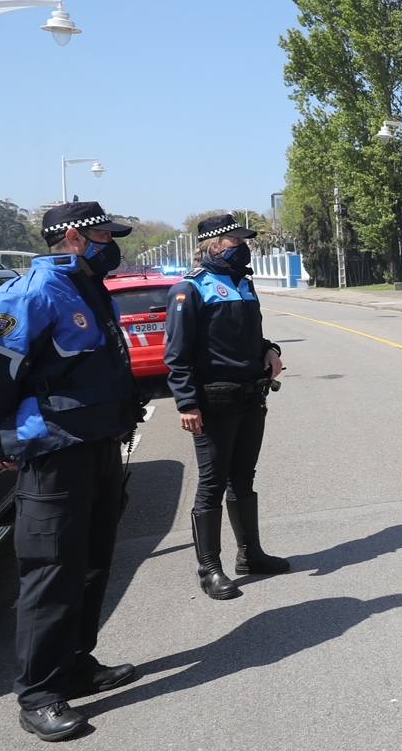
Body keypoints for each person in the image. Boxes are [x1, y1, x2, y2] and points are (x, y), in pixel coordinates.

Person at [0, 201, 142, 741]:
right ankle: (37, 694)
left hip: (99, 446)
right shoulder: (31, 291)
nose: (114, 243)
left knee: (90, 563)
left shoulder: (89, 287)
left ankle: (76, 664)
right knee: (49, 573)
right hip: (55, 454)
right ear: (77, 237)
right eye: (106, 234)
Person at [164, 214, 289, 601]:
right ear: (215, 244)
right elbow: (177, 353)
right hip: (214, 400)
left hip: (251, 395)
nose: (243, 245)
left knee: (243, 478)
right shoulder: (191, 289)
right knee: (212, 483)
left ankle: (250, 555)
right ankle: (209, 569)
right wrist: (186, 402)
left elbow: (249, 336)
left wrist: (269, 349)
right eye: (236, 240)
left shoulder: (243, 284)